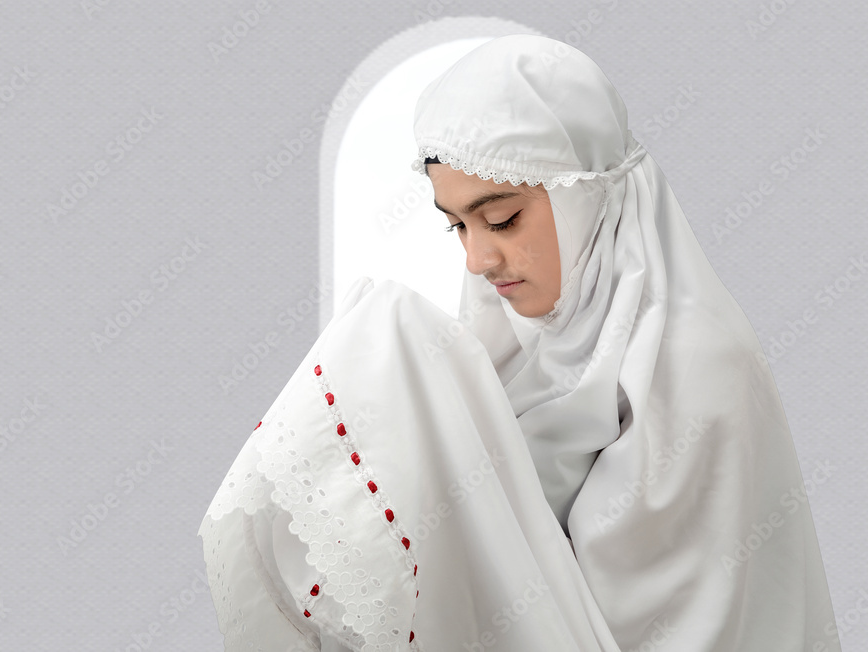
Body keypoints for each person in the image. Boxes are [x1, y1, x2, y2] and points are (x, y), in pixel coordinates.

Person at [198, 34, 840, 651]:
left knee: (391, 335)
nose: (477, 259)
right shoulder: (518, 341)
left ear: (589, 197)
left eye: (501, 219)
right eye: (457, 226)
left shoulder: (693, 364)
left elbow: (665, 624)